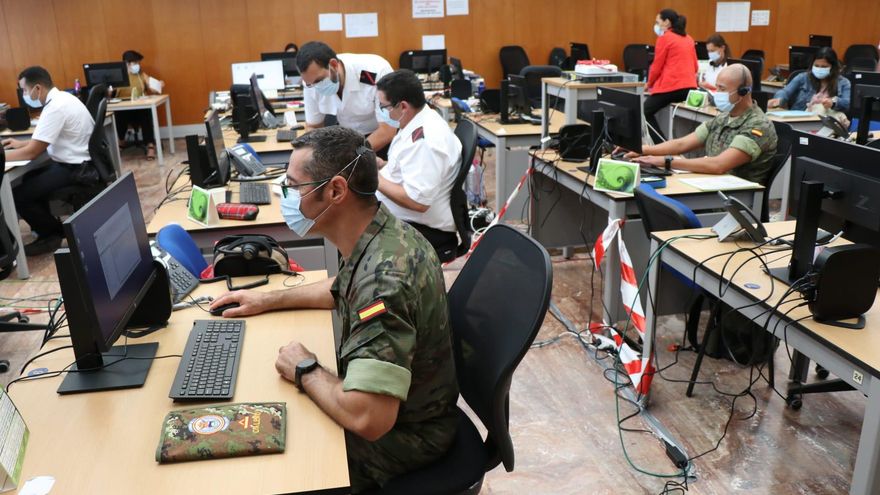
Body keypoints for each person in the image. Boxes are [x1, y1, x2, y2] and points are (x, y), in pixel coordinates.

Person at [208, 126, 459, 493]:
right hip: (409, 412)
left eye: (294, 187)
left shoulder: (384, 279)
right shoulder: (381, 233)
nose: (288, 197)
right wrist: (264, 300)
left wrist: (306, 369)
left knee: (267, 469)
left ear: (336, 190)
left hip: (407, 439)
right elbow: (342, 287)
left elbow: (368, 417)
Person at [625, 64, 778, 186]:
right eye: (717, 87)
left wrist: (666, 161)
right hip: (712, 186)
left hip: (737, 198)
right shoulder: (723, 118)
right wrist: (642, 150)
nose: (717, 93)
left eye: (722, 89)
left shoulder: (758, 125)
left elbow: (719, 165)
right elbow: (681, 144)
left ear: (743, 92)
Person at [3, 66, 94, 255]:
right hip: (81, 163)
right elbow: (42, 141)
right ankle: (46, 230)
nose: (25, 95)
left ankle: (52, 234)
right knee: (28, 180)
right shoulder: (64, 98)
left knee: (19, 195)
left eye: (25, 90)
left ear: (37, 88)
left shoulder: (55, 107)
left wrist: (2, 156)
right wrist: (20, 144)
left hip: (75, 169)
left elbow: (32, 153)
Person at [375, 70, 462, 259]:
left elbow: (418, 201)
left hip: (419, 227)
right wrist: (383, 167)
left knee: (343, 221)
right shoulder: (416, 121)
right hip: (404, 217)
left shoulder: (426, 140)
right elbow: (411, 167)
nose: (384, 113)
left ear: (403, 106)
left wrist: (374, 179)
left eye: (385, 107)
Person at [296, 41, 397, 155]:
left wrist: (353, 155)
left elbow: (387, 130)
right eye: (310, 84)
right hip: (347, 141)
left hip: (381, 140)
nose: (316, 87)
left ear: (334, 65)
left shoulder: (376, 71)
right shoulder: (311, 83)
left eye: (319, 80)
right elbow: (313, 126)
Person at [644, 8, 698, 143]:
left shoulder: (665, 38)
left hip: (672, 87)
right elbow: (695, 66)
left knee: (644, 112)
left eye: (658, 22)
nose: (656, 25)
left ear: (667, 22)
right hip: (690, 88)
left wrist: (649, 84)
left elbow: (657, 66)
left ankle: (662, 145)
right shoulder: (689, 38)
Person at [115, 50, 165, 160]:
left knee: (146, 114)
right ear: (126, 63)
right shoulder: (118, 76)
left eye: (138, 63)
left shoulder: (141, 74)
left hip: (141, 106)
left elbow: (152, 87)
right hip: (124, 107)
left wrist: (159, 85)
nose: (137, 65)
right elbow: (111, 93)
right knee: (119, 115)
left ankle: (150, 146)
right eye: (135, 63)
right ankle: (121, 141)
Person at [769, 47, 850, 113]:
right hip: (800, 120)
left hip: (827, 124)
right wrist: (778, 99)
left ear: (833, 67)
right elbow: (785, 91)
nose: (819, 69)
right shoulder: (803, 77)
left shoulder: (843, 83)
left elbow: (847, 104)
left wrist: (833, 103)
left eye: (824, 66)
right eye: (816, 65)